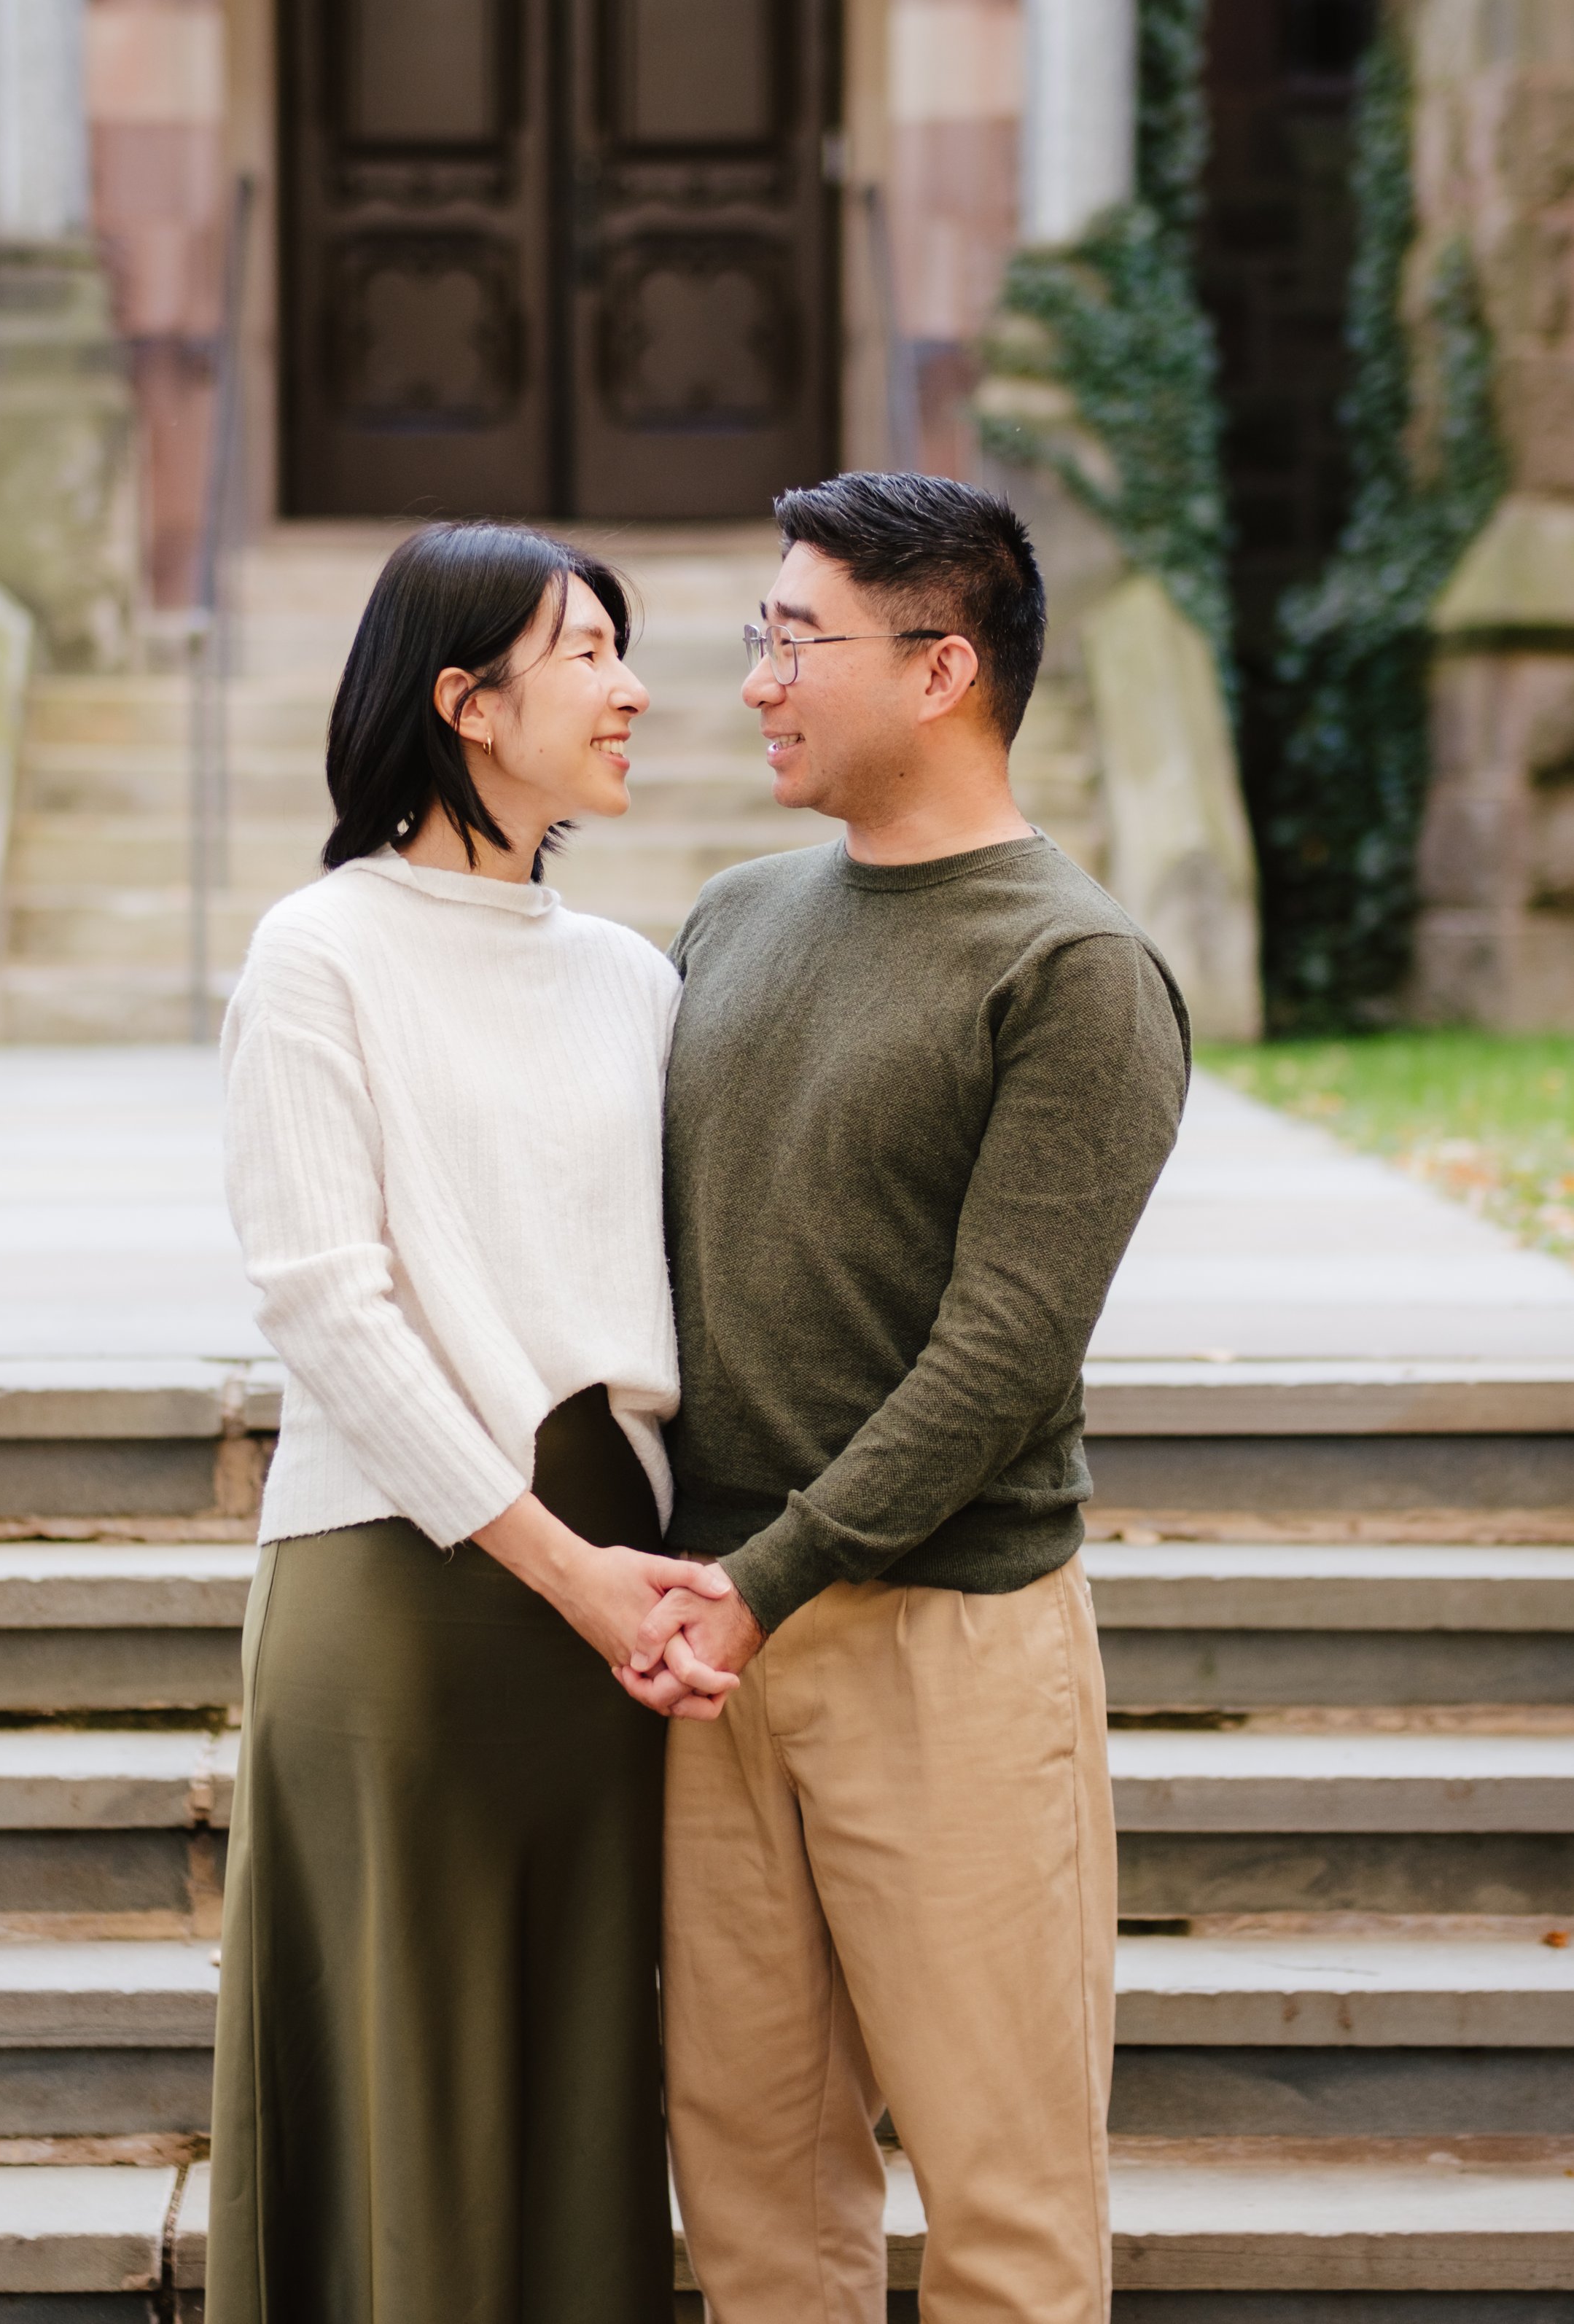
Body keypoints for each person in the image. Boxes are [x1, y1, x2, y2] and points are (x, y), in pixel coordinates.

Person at [625, 472, 1191, 2324]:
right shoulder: (730, 917)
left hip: (943, 1646)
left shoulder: (1073, 969)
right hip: (721, 1652)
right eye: (758, 639)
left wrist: (765, 1577)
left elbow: (1000, 1355)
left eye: (798, 641)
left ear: (942, 665)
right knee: (755, 2211)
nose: (756, 684)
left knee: (1004, 2209)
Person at [206, 520, 733, 2324]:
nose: (634, 687)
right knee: (408, 2085)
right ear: (463, 702)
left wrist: (639, 1576)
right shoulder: (316, 954)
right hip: (410, 1583)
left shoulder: (629, 977)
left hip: (611, 1587)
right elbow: (325, 1302)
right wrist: (559, 1567)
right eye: (586, 649)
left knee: (584, 2077)